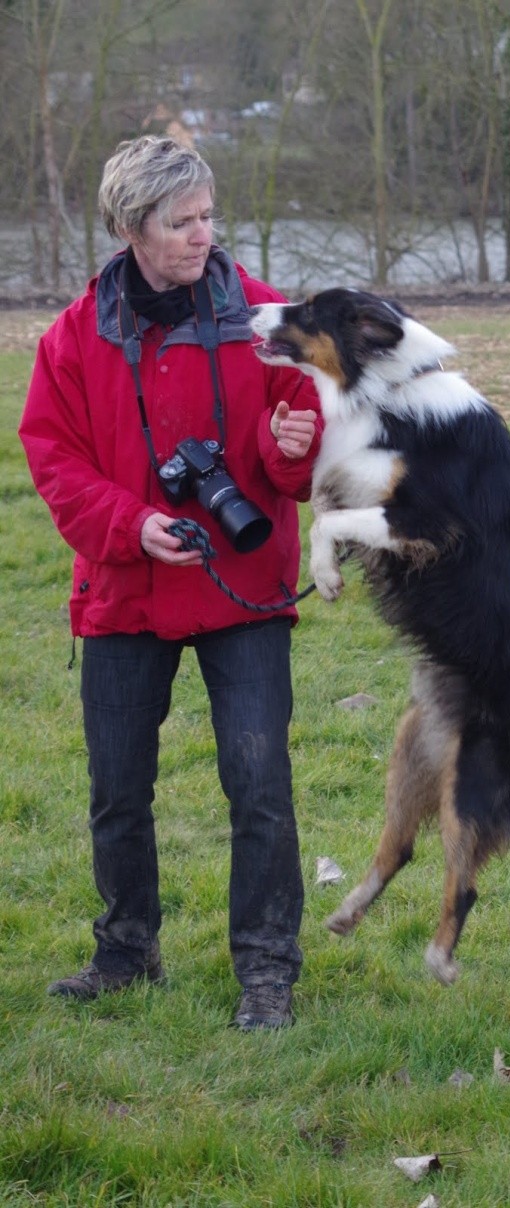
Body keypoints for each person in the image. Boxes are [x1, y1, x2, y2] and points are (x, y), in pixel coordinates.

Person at [19, 135, 322, 1030]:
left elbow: (300, 453)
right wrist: (134, 526)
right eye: (182, 221)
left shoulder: (271, 319)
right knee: (117, 788)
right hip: (123, 589)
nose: (204, 235)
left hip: (245, 589)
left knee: (258, 782)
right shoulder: (73, 339)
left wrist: (290, 450)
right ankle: (125, 952)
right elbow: (56, 460)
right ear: (130, 227)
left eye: (208, 217)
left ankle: (267, 971)